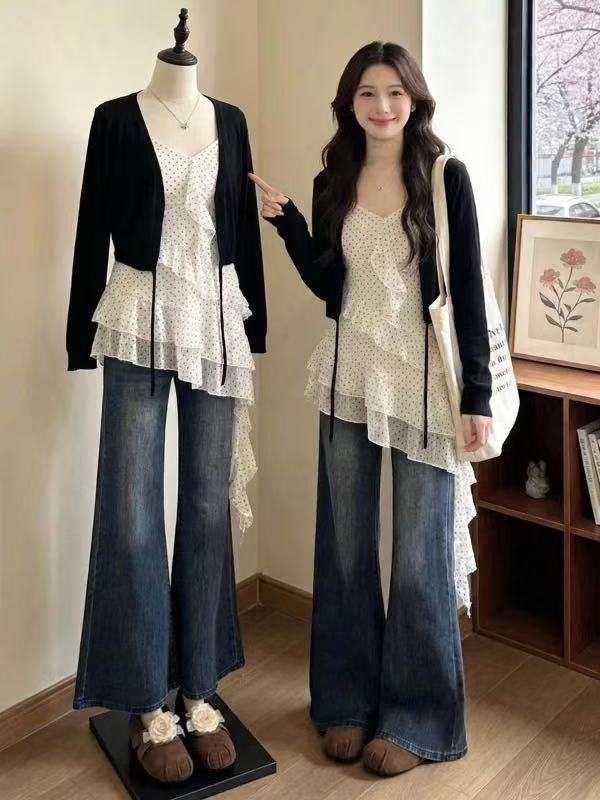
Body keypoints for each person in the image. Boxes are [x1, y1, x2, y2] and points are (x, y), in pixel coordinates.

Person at [249, 40, 492, 777]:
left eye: (394, 92)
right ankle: (346, 702)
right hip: (348, 374)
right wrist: (290, 223)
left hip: (424, 386)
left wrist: (477, 396)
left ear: (414, 100)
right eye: (367, 94)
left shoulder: (446, 177)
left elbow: (469, 291)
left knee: (419, 556)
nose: (382, 106)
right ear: (349, 104)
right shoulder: (335, 178)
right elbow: (334, 286)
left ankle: (418, 720)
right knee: (346, 547)